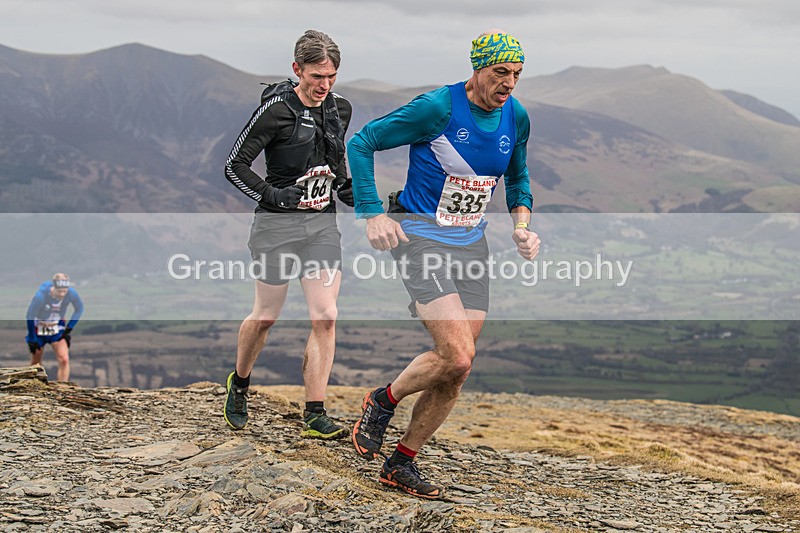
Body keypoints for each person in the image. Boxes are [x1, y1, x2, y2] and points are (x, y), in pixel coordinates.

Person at [347, 30, 541, 498]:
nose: (509, 84)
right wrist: (372, 213)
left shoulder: (516, 115)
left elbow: (518, 175)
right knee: (456, 353)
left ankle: (401, 461)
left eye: (516, 75)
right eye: (500, 73)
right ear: (478, 68)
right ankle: (383, 400)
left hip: (472, 245)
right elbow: (362, 142)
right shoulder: (438, 108)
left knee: (458, 367)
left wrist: (522, 225)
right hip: (420, 240)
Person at [222, 29, 353, 440]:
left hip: (321, 225)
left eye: (331, 76)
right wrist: (274, 194)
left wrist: (367, 201)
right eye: (317, 76)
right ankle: (239, 383)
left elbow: (340, 172)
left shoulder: (340, 109)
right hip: (276, 226)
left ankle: (315, 412)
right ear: (297, 69)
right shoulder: (275, 112)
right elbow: (234, 166)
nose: (324, 85)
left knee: (326, 315)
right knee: (265, 316)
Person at [26, 273, 84, 382]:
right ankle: (34, 384)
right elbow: (30, 315)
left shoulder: (71, 294)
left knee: (64, 359)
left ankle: (62, 387)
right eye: (60, 291)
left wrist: (69, 328)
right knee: (36, 361)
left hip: (57, 328)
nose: (62, 294)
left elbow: (79, 309)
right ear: (54, 287)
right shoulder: (41, 296)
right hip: (39, 328)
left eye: (64, 291)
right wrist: (32, 338)